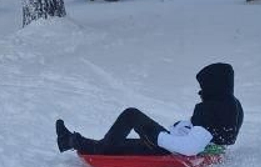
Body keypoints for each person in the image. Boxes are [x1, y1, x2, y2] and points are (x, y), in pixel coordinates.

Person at [55, 63, 243, 156]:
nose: (201, 91)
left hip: (172, 151)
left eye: (204, 86)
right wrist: (181, 128)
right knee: (119, 144)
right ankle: (70, 141)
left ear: (214, 85)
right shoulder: (233, 106)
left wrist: (158, 137)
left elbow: (191, 148)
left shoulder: (210, 109)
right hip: (176, 146)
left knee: (132, 115)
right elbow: (216, 137)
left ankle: (77, 143)